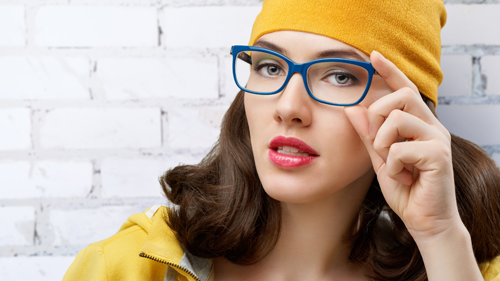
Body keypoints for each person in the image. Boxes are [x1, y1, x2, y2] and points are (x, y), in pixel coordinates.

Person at [63, 0, 500, 280]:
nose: (288, 106)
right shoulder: (125, 268)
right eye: (270, 67)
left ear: (408, 113)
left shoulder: (466, 269)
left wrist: (441, 236)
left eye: (340, 75)